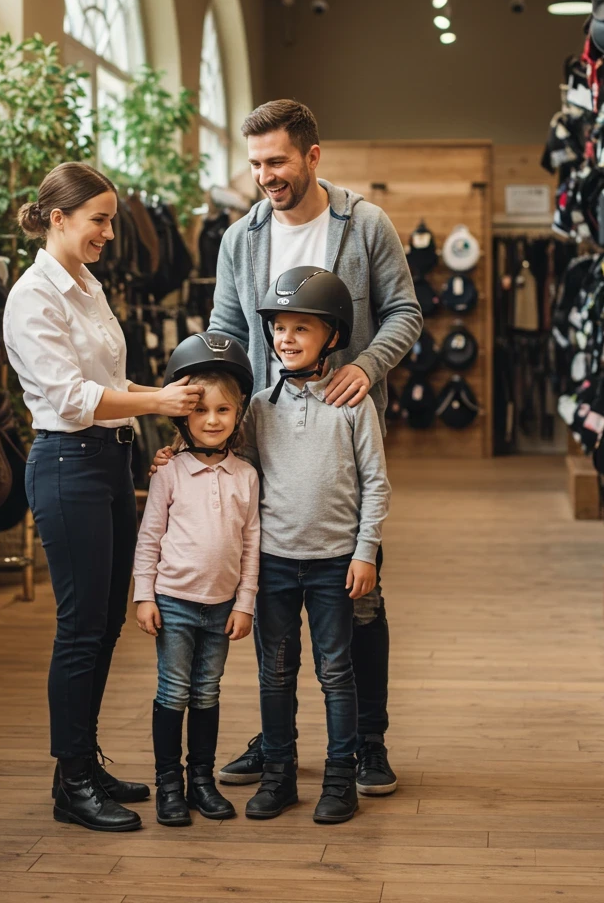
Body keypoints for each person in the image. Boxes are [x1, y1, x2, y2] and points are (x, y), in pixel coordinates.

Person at [209, 99, 422, 795]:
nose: (266, 175)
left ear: (311, 156)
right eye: (256, 164)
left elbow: (405, 312)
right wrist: (219, 418)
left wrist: (366, 365)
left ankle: (368, 741)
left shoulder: (363, 225)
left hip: (340, 432)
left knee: (356, 597)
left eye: (277, 161)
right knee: (272, 594)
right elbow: (226, 328)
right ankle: (276, 742)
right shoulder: (242, 238)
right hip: (264, 438)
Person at [4, 162, 204, 834]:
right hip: (68, 464)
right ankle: (71, 783)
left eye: (111, 220)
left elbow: (107, 379)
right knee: (80, 629)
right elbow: (72, 398)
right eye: (99, 220)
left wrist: (153, 411)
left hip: (110, 461)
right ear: (57, 218)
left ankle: (83, 760)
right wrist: (157, 399)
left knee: (106, 623)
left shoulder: (87, 286)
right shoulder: (35, 296)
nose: (110, 234)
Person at [239, 267, 391, 824]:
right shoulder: (259, 406)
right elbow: (245, 480)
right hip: (275, 563)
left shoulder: (353, 404)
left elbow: (376, 483)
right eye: (279, 328)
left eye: (301, 329)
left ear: (332, 336)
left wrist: (365, 551)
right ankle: (278, 777)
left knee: (336, 673)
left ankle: (339, 778)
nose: (286, 339)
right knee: (275, 673)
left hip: (334, 565)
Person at [133, 333, 259, 827]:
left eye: (224, 411)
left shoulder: (246, 476)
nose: (212, 420)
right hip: (175, 602)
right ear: (182, 414)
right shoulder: (169, 472)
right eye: (202, 410)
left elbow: (251, 545)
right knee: (173, 692)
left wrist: (245, 602)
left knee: (207, 692)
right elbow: (149, 538)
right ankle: (170, 785)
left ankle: (201, 781)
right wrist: (144, 595)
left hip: (222, 606)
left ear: (237, 415)